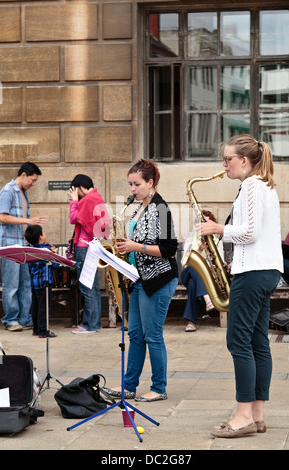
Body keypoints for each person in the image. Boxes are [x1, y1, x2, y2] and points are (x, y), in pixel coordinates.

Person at [197, 134, 283, 438]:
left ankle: (243, 415)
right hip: (266, 270)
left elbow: (250, 232)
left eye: (228, 159)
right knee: (258, 341)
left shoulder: (250, 185)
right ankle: (257, 414)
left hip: (254, 272)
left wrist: (217, 228)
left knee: (238, 341)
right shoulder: (265, 185)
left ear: (244, 161)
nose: (224, 164)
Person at [102, 159, 178, 402]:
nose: (132, 189)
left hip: (158, 279)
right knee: (135, 334)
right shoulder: (138, 208)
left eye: (137, 184)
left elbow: (169, 249)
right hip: (139, 279)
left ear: (150, 183)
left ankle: (159, 388)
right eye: (130, 184)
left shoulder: (161, 208)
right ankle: (129, 385)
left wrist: (136, 246)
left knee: (152, 335)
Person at [0, 162, 47, 332]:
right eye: (32, 180)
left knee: (26, 284)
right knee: (11, 285)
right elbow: (3, 217)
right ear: (24, 175)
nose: (33, 184)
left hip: (23, 245)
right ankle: (10, 320)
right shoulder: (7, 190)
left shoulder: (23, 192)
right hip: (10, 246)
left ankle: (25, 319)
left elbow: (25, 220)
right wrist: (29, 221)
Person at [68, 174, 111, 334]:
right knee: (92, 286)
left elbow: (73, 218)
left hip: (84, 247)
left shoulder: (87, 200)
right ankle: (93, 323)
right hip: (93, 246)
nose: (74, 194)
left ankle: (90, 325)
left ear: (79, 187)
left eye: (74, 190)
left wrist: (73, 201)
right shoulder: (97, 198)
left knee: (86, 286)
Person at [181, 210, 216, 332]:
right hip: (188, 272)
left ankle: (191, 322)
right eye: (201, 224)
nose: (203, 227)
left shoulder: (216, 241)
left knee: (192, 285)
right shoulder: (190, 241)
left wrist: (209, 256)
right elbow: (184, 264)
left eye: (206, 223)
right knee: (194, 266)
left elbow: (219, 265)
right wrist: (199, 253)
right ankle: (207, 298)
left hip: (208, 278)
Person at [25, 225, 58, 338]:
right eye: (43, 233)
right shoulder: (46, 251)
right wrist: (54, 251)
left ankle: (36, 329)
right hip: (45, 284)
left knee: (35, 307)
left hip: (34, 284)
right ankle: (43, 330)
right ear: (40, 237)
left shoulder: (29, 250)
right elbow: (55, 264)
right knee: (44, 307)